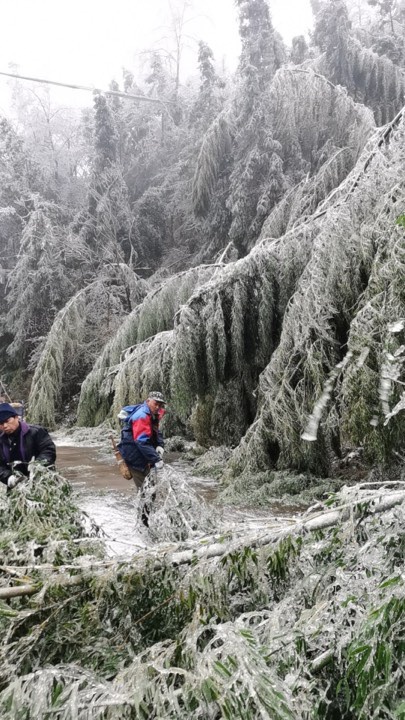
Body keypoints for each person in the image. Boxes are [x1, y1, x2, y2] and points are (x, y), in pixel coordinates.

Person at [118, 391, 166, 525]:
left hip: (144, 457)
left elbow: (156, 431)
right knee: (146, 492)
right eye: (156, 403)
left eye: (160, 404)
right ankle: (143, 524)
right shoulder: (141, 416)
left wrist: (159, 446)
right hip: (135, 458)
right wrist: (156, 459)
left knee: (151, 491)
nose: (158, 407)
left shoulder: (153, 414)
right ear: (148, 401)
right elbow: (141, 441)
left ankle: (145, 520)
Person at [0, 403, 56, 490]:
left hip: (42, 481)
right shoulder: (1, 440)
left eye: (7, 421)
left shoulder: (36, 432)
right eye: (1, 423)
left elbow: (49, 450)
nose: (5, 426)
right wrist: (8, 478)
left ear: (16, 418)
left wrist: (37, 466)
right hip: (16, 486)